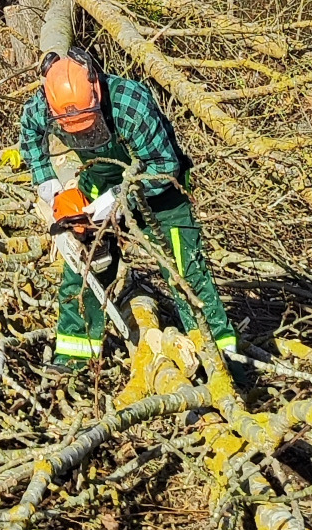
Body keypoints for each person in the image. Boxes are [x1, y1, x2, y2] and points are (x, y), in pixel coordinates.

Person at [18, 46, 240, 371]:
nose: (85, 135)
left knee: (185, 272)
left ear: (96, 90)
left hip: (159, 187)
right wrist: (49, 187)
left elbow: (164, 165)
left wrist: (121, 199)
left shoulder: (129, 102)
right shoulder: (43, 106)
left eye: (89, 126)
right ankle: (75, 355)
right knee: (83, 264)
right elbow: (29, 134)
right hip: (98, 179)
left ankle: (222, 361)